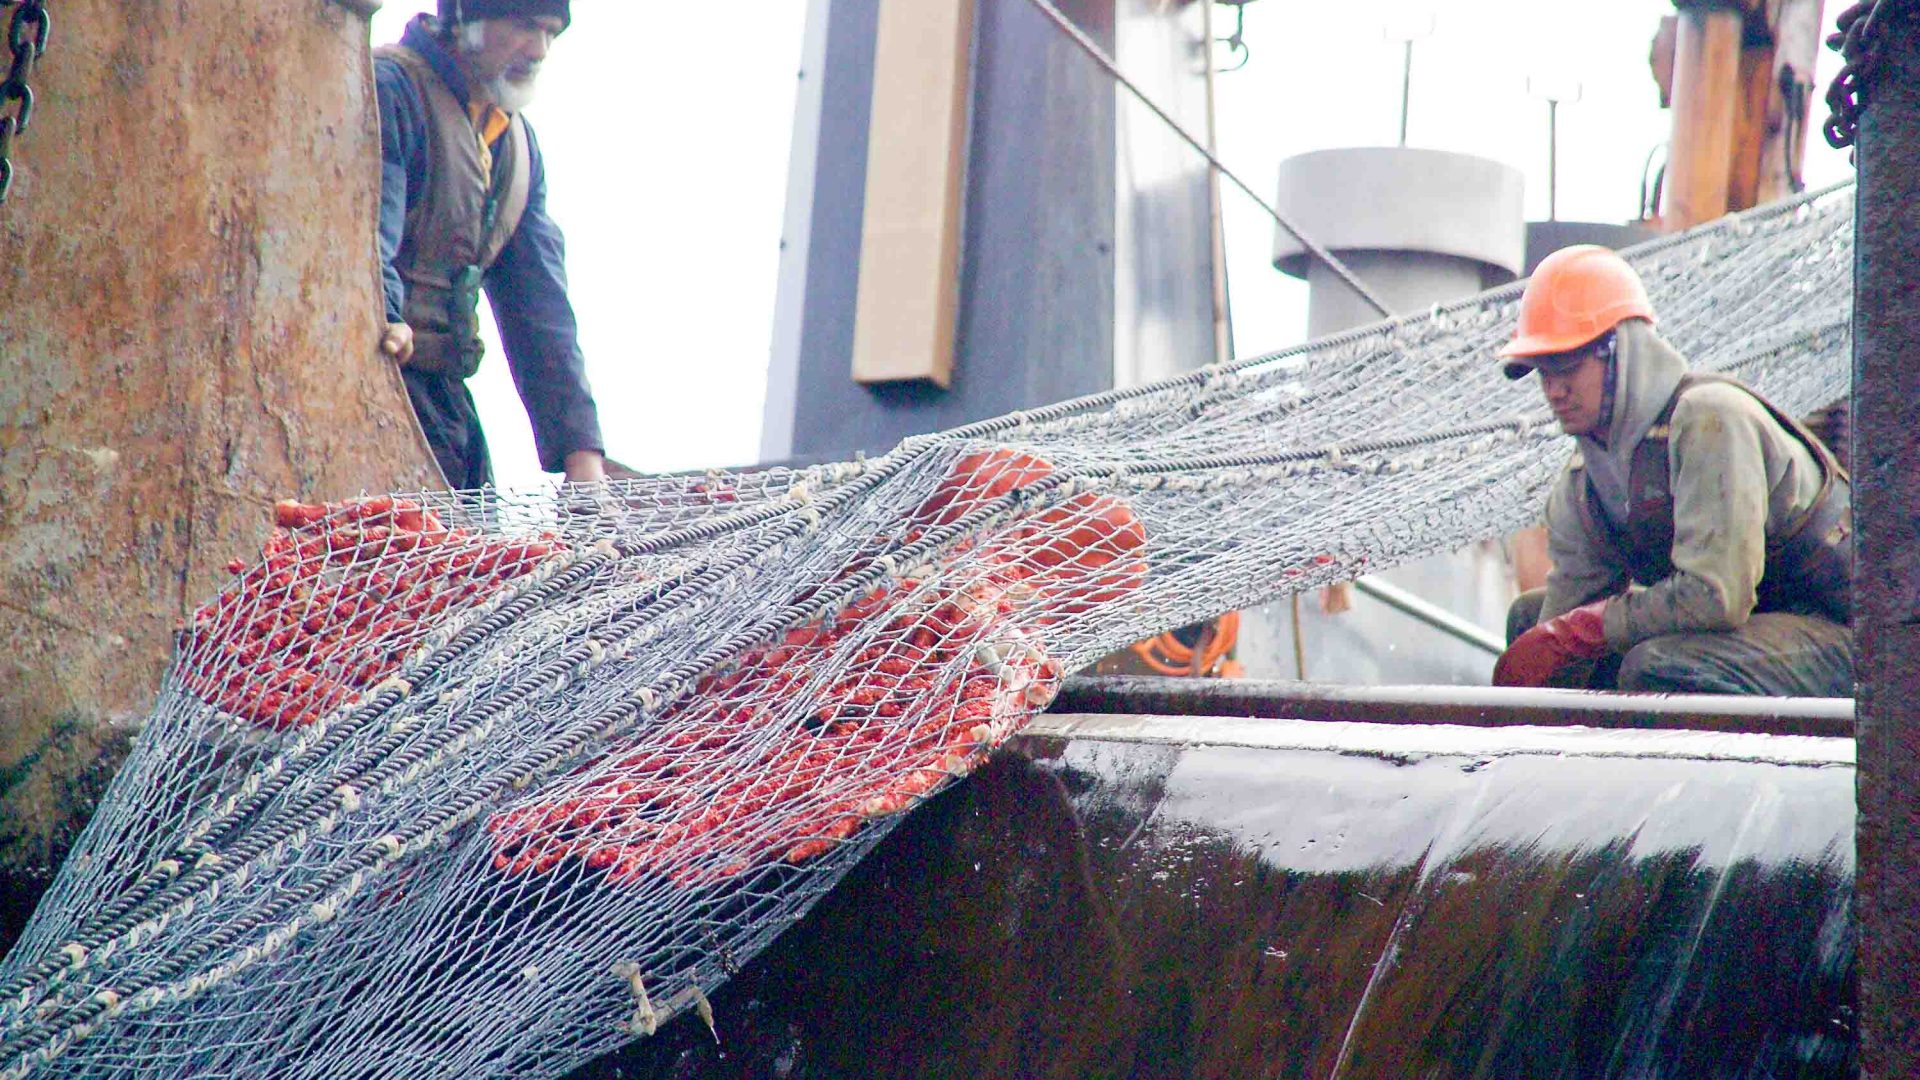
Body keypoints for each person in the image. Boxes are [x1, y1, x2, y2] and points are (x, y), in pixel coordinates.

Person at [1491, 245, 1851, 697]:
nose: (1554, 390)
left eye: (1566, 366)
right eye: (1543, 373)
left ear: (1620, 352)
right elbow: (1561, 621)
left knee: (1659, 667)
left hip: (1849, 636)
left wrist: (1585, 626)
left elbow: (1717, 598)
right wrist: (1532, 676)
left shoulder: (1710, 418)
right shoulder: (1584, 482)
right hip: (1748, 634)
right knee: (1532, 626)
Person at [375, 0, 607, 489]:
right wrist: (385, 317)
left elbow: (538, 304)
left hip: (447, 402)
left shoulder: (516, 144)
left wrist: (579, 450)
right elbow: (369, 232)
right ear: (466, 20)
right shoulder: (390, 88)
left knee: (474, 557)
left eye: (551, 33)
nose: (539, 49)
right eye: (525, 27)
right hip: (377, 381)